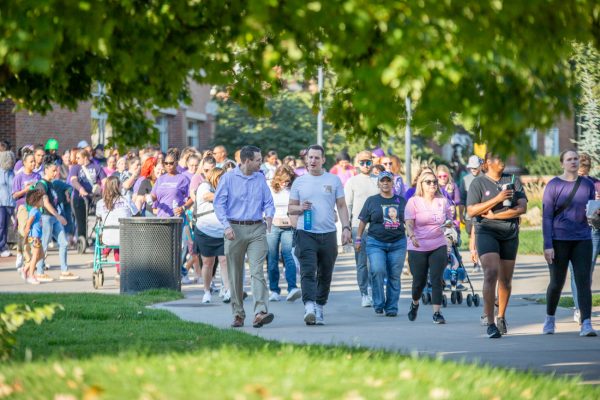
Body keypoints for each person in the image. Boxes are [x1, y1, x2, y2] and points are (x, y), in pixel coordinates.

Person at [289, 144, 352, 325]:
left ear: (323, 160)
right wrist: (300, 208)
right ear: (306, 160)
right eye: (310, 157)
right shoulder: (299, 182)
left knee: (325, 273)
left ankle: (319, 306)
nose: (313, 161)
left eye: (317, 157)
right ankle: (309, 307)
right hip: (305, 232)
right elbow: (290, 208)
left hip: (328, 233)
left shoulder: (333, 180)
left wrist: (346, 228)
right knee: (308, 271)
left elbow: (341, 206)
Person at [466, 152, 527, 338]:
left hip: (509, 233)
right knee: (491, 272)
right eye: (498, 157)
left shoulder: (513, 180)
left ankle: (501, 316)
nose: (503, 160)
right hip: (486, 232)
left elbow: (521, 208)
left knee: (506, 280)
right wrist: (498, 199)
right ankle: (490, 322)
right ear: (488, 163)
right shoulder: (478, 183)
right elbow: (472, 210)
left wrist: (496, 215)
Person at [214, 145, 275, 328]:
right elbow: (219, 204)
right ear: (247, 161)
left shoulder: (260, 178)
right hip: (234, 229)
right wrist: (226, 226)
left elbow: (268, 201)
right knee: (235, 274)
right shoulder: (228, 178)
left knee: (257, 271)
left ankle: (260, 312)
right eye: (258, 160)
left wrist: (270, 216)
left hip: (257, 229)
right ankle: (238, 314)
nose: (261, 163)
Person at [542, 150, 597, 336]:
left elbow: (591, 214)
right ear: (562, 163)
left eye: (576, 159)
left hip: (583, 239)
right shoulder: (553, 185)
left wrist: (596, 215)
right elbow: (547, 217)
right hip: (559, 240)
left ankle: (586, 323)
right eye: (569, 159)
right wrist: (547, 245)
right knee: (557, 282)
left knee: (583, 281)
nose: (574, 162)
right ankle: (550, 319)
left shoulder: (588, 185)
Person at [404, 170, 454, 324]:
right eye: (428, 182)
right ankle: (415, 303)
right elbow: (409, 223)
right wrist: (412, 236)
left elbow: (450, 221)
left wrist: (448, 229)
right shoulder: (413, 201)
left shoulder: (443, 201)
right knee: (419, 281)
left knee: (437, 278)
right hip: (417, 245)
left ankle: (437, 313)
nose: (432, 184)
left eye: (434, 181)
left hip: (438, 244)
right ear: (421, 185)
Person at [356, 171, 407, 316]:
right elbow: (363, 221)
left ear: (392, 183)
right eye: (382, 181)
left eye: (388, 181)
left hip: (398, 243)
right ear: (378, 183)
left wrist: (414, 237)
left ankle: (391, 307)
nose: (385, 183)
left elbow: (408, 221)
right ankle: (378, 302)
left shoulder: (401, 201)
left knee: (394, 275)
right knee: (377, 270)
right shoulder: (372, 200)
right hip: (375, 242)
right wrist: (358, 238)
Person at [345, 150, 379, 307]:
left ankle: (374, 290)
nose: (366, 165)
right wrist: (346, 228)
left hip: (378, 227)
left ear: (373, 162)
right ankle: (364, 293)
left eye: (368, 162)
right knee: (361, 263)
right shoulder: (352, 182)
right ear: (357, 164)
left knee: (376, 262)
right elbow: (347, 205)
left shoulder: (379, 180)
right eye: (362, 162)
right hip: (358, 227)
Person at [569, 152, 600, 324]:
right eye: (580, 171)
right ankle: (579, 307)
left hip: (594, 229)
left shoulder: (597, 184)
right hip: (574, 231)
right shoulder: (567, 184)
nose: (583, 175)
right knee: (577, 272)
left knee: (587, 271)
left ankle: (583, 306)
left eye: (585, 171)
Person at [34, 162, 77, 282]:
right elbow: (46, 203)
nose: (55, 173)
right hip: (46, 217)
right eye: (53, 170)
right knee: (44, 245)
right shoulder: (41, 185)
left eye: (56, 170)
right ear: (46, 169)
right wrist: (59, 216)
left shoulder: (51, 184)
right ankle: (39, 272)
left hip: (53, 218)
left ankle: (64, 271)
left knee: (63, 243)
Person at [194, 168, 231, 304]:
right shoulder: (205, 186)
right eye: (221, 178)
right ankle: (207, 291)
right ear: (215, 177)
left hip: (222, 231)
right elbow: (207, 196)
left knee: (224, 260)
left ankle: (228, 290)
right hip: (205, 230)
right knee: (208, 263)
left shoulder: (225, 189)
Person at [266, 166, 301, 302]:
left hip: (288, 226)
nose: (285, 184)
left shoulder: (293, 189)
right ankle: (274, 290)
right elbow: (265, 206)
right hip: (273, 226)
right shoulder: (270, 188)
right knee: (272, 257)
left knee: (288, 255)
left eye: (288, 181)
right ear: (277, 179)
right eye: (282, 181)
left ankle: (292, 288)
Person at [96, 176, 138, 279]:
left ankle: (104, 253)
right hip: (125, 238)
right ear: (118, 187)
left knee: (114, 235)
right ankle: (120, 271)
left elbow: (98, 218)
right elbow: (136, 213)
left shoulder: (100, 203)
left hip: (107, 239)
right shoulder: (126, 199)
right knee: (120, 235)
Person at [68, 149, 106, 242]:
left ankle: (97, 238)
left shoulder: (97, 167)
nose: (76, 160)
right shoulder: (75, 168)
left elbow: (105, 181)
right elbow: (73, 180)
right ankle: (82, 240)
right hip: (79, 197)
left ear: (85, 158)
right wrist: (81, 189)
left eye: (78, 158)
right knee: (81, 220)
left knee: (97, 218)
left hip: (94, 198)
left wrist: (101, 189)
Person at [12, 152, 41, 271]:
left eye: (34, 161)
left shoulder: (37, 176)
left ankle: (33, 258)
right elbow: (15, 195)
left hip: (34, 207)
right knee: (24, 231)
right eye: (31, 161)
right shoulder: (19, 177)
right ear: (24, 163)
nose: (34, 163)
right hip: (23, 206)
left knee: (34, 234)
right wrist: (26, 189)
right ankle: (26, 258)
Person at [459, 155, 483, 272]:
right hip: (469, 214)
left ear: (480, 166)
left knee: (478, 237)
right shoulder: (465, 180)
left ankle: (478, 262)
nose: (473, 170)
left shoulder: (486, 178)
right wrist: (460, 214)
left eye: (475, 167)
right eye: (471, 168)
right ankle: (475, 260)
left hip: (483, 214)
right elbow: (462, 199)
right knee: (471, 237)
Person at [22, 189, 46, 285]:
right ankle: (31, 275)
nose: (43, 201)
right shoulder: (34, 211)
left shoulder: (37, 211)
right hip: (34, 237)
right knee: (36, 255)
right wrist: (26, 236)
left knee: (41, 255)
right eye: (41, 200)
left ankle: (25, 269)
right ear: (36, 201)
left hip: (38, 237)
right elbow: (28, 224)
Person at [0, 150, 15, 257]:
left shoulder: (12, 173)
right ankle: (1, 246)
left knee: (6, 226)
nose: (10, 162)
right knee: (1, 225)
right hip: (1, 203)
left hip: (10, 203)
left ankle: (3, 246)